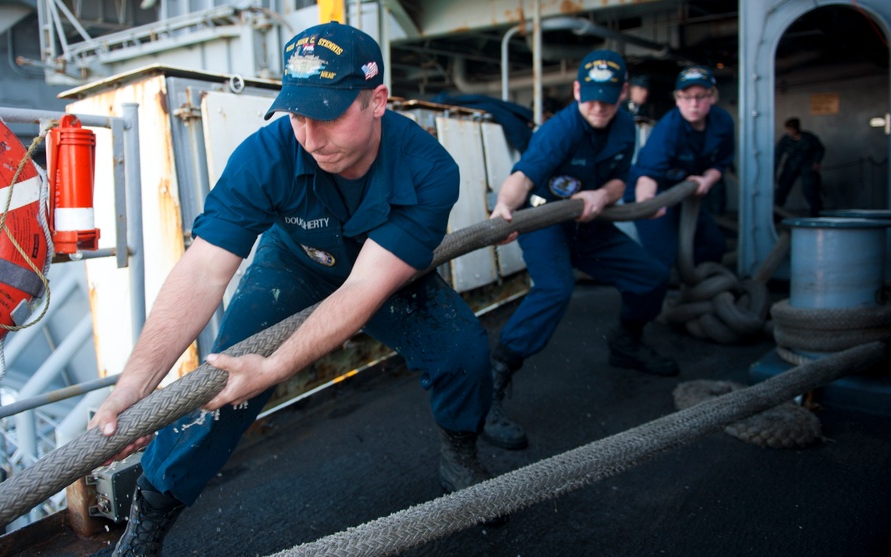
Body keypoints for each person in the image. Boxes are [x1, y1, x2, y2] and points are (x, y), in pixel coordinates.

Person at [91, 22, 495, 555]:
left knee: (463, 352)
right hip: (295, 265)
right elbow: (204, 270)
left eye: (326, 115)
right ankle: (150, 515)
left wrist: (277, 367)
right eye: (298, 115)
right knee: (220, 387)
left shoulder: (429, 171)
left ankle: (459, 450)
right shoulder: (269, 154)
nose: (309, 135)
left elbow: (364, 288)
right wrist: (135, 386)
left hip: (388, 279)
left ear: (377, 101)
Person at [485, 50, 678, 451]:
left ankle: (626, 342)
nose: (598, 106)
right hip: (544, 221)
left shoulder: (625, 127)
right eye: (589, 96)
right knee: (556, 288)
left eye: (608, 97)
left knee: (652, 276)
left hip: (589, 223)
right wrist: (504, 209)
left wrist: (600, 194)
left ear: (624, 92)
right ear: (576, 90)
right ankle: (491, 382)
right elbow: (521, 179)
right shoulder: (561, 129)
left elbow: (619, 184)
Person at [627, 65, 734, 270]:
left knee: (712, 246)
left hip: (686, 190)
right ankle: (661, 299)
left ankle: (701, 291)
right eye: (686, 97)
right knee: (662, 254)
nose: (693, 104)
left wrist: (706, 180)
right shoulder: (669, 128)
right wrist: (647, 205)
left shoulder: (722, 123)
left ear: (712, 97)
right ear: (677, 99)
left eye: (700, 96)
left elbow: (721, 163)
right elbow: (648, 175)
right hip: (655, 191)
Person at [774, 117, 825, 216]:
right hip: (791, 166)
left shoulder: (809, 138)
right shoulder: (786, 139)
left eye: (791, 129)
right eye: (788, 129)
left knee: (810, 189)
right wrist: (773, 173)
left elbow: (820, 149)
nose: (790, 131)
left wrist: (816, 162)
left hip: (807, 166)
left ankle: (816, 213)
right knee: (782, 190)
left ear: (797, 128)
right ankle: (776, 213)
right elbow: (777, 155)